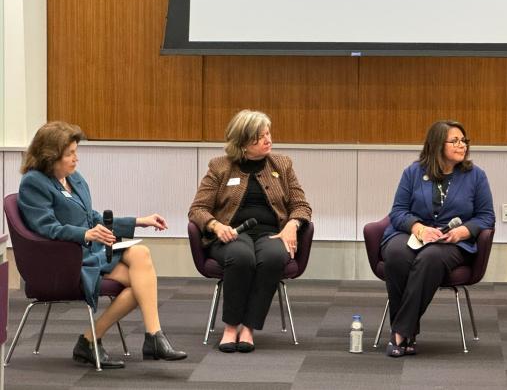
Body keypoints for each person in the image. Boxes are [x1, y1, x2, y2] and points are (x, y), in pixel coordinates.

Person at [17, 121, 186, 369]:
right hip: (65, 259)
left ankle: (147, 336)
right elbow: (47, 229)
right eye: (70, 154)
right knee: (139, 281)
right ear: (50, 156)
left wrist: (140, 221)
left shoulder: (73, 178)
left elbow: (93, 218)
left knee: (140, 258)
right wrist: (87, 234)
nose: (76, 159)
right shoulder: (34, 183)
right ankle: (102, 339)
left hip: (89, 251)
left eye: (76, 152)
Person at [188, 109, 312, 353]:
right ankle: (230, 327)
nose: (268, 140)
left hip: (271, 233)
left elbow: (301, 205)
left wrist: (292, 225)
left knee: (273, 257)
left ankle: (249, 327)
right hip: (232, 233)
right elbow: (198, 209)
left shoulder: (282, 165)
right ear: (242, 142)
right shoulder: (220, 167)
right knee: (242, 257)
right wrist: (216, 225)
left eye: (268, 133)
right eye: (260, 136)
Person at [381, 120, 495, 357]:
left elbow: (486, 217)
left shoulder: (476, 176)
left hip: (451, 242)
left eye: (464, 140)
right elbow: (398, 211)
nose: (461, 145)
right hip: (414, 235)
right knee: (396, 254)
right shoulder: (413, 172)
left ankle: (400, 333)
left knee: (429, 258)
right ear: (436, 144)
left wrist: (463, 231)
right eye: (454, 141)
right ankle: (407, 332)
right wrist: (419, 228)